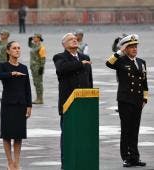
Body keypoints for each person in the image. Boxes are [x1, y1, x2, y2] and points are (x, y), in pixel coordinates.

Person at [106, 34, 148, 167]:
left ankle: (135, 157)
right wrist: (119, 51)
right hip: (125, 100)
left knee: (135, 129)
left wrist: (145, 98)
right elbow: (108, 63)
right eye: (131, 47)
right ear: (126, 49)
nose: (135, 49)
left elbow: (144, 82)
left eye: (136, 46)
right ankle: (126, 157)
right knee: (126, 130)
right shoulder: (121, 61)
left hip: (138, 100)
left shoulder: (141, 62)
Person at [53, 33, 93, 170]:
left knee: (83, 136)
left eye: (75, 38)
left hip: (84, 104)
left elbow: (89, 81)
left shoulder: (85, 57)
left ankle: (82, 162)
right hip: (69, 104)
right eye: (70, 39)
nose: (74, 40)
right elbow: (62, 69)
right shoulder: (59, 57)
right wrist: (80, 64)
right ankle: (67, 164)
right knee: (68, 136)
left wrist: (91, 101)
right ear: (64, 44)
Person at [0, 41, 32, 170]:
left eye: (19, 48)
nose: (17, 50)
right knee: (6, 134)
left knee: (18, 134)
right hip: (8, 104)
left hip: (21, 105)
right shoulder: (3, 66)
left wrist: (29, 106)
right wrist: (12, 73)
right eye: (14, 48)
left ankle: (16, 162)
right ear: (8, 51)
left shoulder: (23, 67)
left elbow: (27, 88)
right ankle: (10, 162)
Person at [28, 33, 47, 104]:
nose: (33, 38)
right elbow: (30, 45)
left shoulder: (41, 47)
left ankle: (40, 98)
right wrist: (29, 40)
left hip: (38, 67)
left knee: (39, 83)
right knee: (36, 83)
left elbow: (43, 58)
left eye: (34, 37)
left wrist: (41, 67)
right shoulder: (34, 45)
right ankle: (37, 98)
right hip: (33, 67)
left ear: (39, 38)